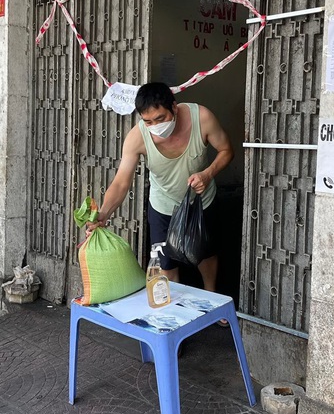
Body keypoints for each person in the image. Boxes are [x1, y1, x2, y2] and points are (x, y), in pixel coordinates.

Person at [87, 82, 234, 322]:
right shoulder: (137, 137)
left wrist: (208, 174)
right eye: (148, 121)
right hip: (162, 205)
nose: (155, 126)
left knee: (205, 253)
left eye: (160, 118)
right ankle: (170, 319)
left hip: (201, 203)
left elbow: (227, 150)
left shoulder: (202, 118)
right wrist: (104, 213)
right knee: (165, 264)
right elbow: (122, 182)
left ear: (174, 108)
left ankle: (211, 298)